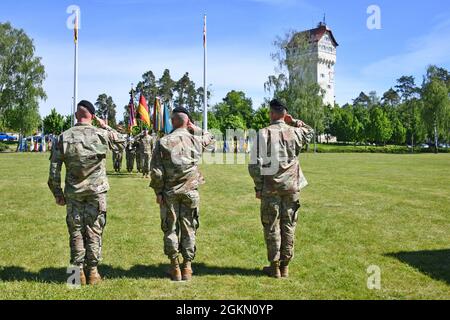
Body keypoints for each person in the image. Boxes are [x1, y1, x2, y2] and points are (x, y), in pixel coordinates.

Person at [48, 100, 125, 285]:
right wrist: (105, 125)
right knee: (94, 230)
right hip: (96, 192)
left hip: (74, 192)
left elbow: (54, 171)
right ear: (92, 115)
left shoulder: (63, 137)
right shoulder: (101, 134)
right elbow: (122, 142)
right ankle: (93, 273)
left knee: (75, 231)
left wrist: (57, 193)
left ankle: (75, 276)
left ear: (76, 115)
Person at [248, 99, 314, 279]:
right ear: (284, 114)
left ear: (272, 113)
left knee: (271, 227)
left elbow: (254, 165)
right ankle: (285, 267)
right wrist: (293, 122)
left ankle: (275, 266)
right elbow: (310, 131)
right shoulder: (296, 132)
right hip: (292, 188)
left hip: (271, 188)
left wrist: (258, 187)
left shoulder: (263, 133)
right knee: (289, 225)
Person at [150, 107, 215, 282]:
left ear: (172, 121)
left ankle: (175, 267)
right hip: (190, 191)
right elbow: (212, 138)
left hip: (169, 192)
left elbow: (156, 172)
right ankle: (187, 267)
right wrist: (197, 129)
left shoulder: (163, 141)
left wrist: (158, 191)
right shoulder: (195, 139)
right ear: (187, 121)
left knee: (170, 229)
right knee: (189, 228)